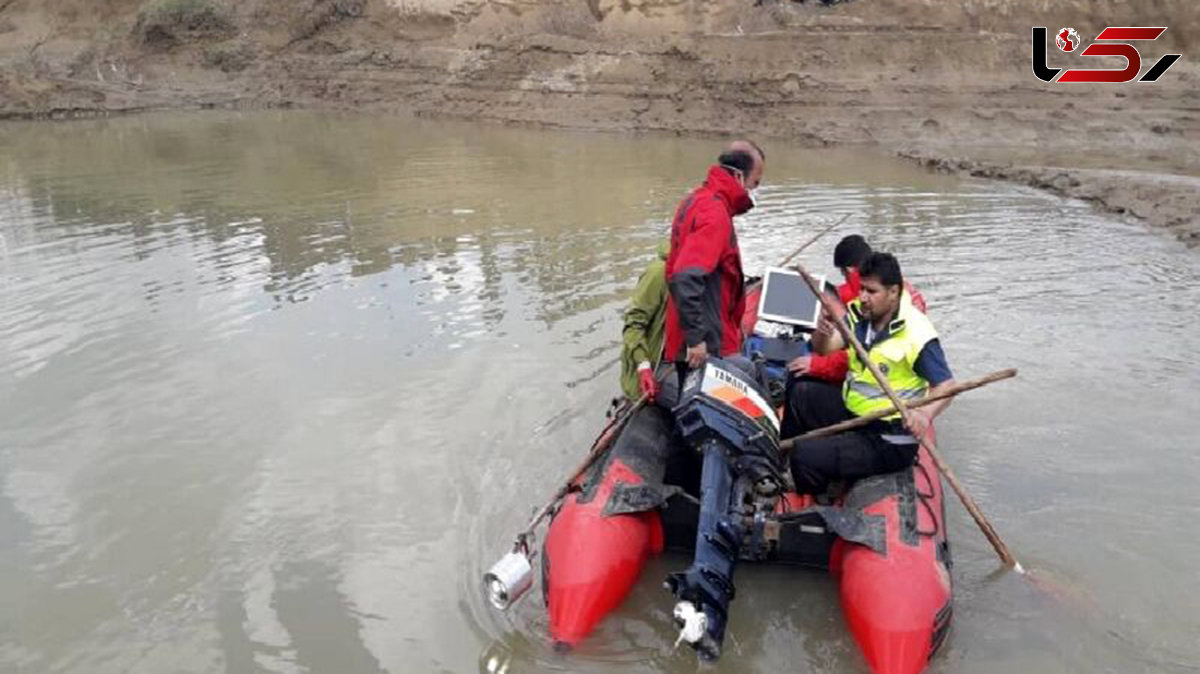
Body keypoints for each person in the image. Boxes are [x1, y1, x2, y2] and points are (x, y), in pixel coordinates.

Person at [786, 252, 956, 494]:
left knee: (804, 454)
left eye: (871, 291)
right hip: (857, 414)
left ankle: (819, 498)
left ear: (894, 292)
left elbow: (947, 386)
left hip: (889, 437)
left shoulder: (916, 332)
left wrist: (924, 415)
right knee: (801, 390)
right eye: (862, 289)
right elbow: (825, 349)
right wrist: (821, 332)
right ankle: (782, 460)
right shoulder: (859, 316)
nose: (863, 297)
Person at [664, 140, 765, 381]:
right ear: (739, 177)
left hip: (689, 334)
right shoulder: (715, 214)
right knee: (750, 373)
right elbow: (685, 276)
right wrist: (697, 339)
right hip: (706, 344)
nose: (754, 190)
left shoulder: (695, 200)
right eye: (755, 183)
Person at [619, 239, 670, 402]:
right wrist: (643, 365)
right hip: (657, 364)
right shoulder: (658, 274)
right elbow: (633, 324)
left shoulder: (700, 271)